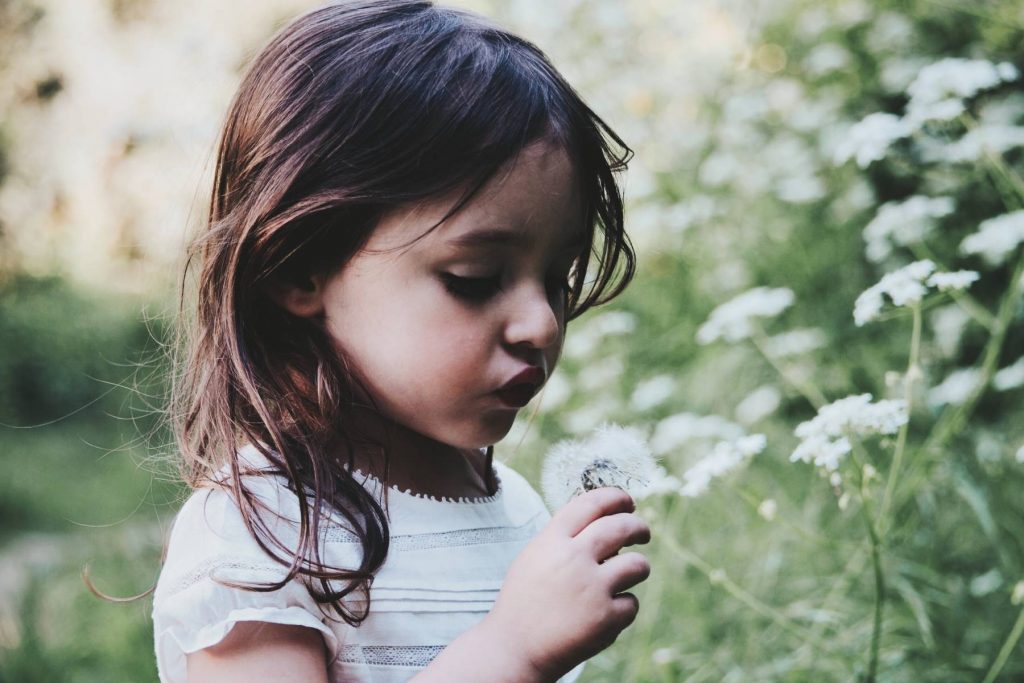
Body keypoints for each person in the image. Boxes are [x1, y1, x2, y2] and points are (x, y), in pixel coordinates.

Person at [150, 1, 651, 681]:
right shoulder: (257, 536)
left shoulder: (517, 508)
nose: (541, 323)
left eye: (557, 277)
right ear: (298, 265)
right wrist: (514, 649)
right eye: (474, 278)